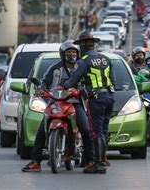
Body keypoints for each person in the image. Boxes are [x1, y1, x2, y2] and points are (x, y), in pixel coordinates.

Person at [22, 41, 94, 173]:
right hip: (55, 103)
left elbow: (89, 84)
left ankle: (90, 161)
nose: (71, 55)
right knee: (41, 131)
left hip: (75, 103)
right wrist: (40, 89)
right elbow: (44, 82)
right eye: (68, 52)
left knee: (85, 129)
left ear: (78, 54)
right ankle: (35, 162)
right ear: (62, 54)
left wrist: (84, 91)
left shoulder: (82, 68)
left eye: (74, 52)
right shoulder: (54, 68)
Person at [64, 32, 115, 174]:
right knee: (103, 131)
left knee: (96, 132)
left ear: (84, 46)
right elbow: (113, 80)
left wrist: (64, 85)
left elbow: (72, 81)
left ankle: (98, 164)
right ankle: (102, 160)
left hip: (96, 98)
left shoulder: (84, 61)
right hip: (109, 97)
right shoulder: (105, 59)